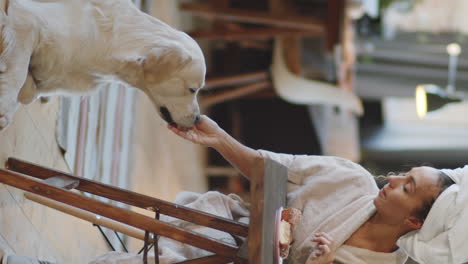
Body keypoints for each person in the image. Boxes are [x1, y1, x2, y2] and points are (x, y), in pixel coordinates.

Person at [167, 115, 466, 264]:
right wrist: (219, 137)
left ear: (414, 222)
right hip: (220, 231)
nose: (391, 178)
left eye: (407, 187)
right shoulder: (349, 177)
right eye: (404, 174)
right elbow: (267, 166)